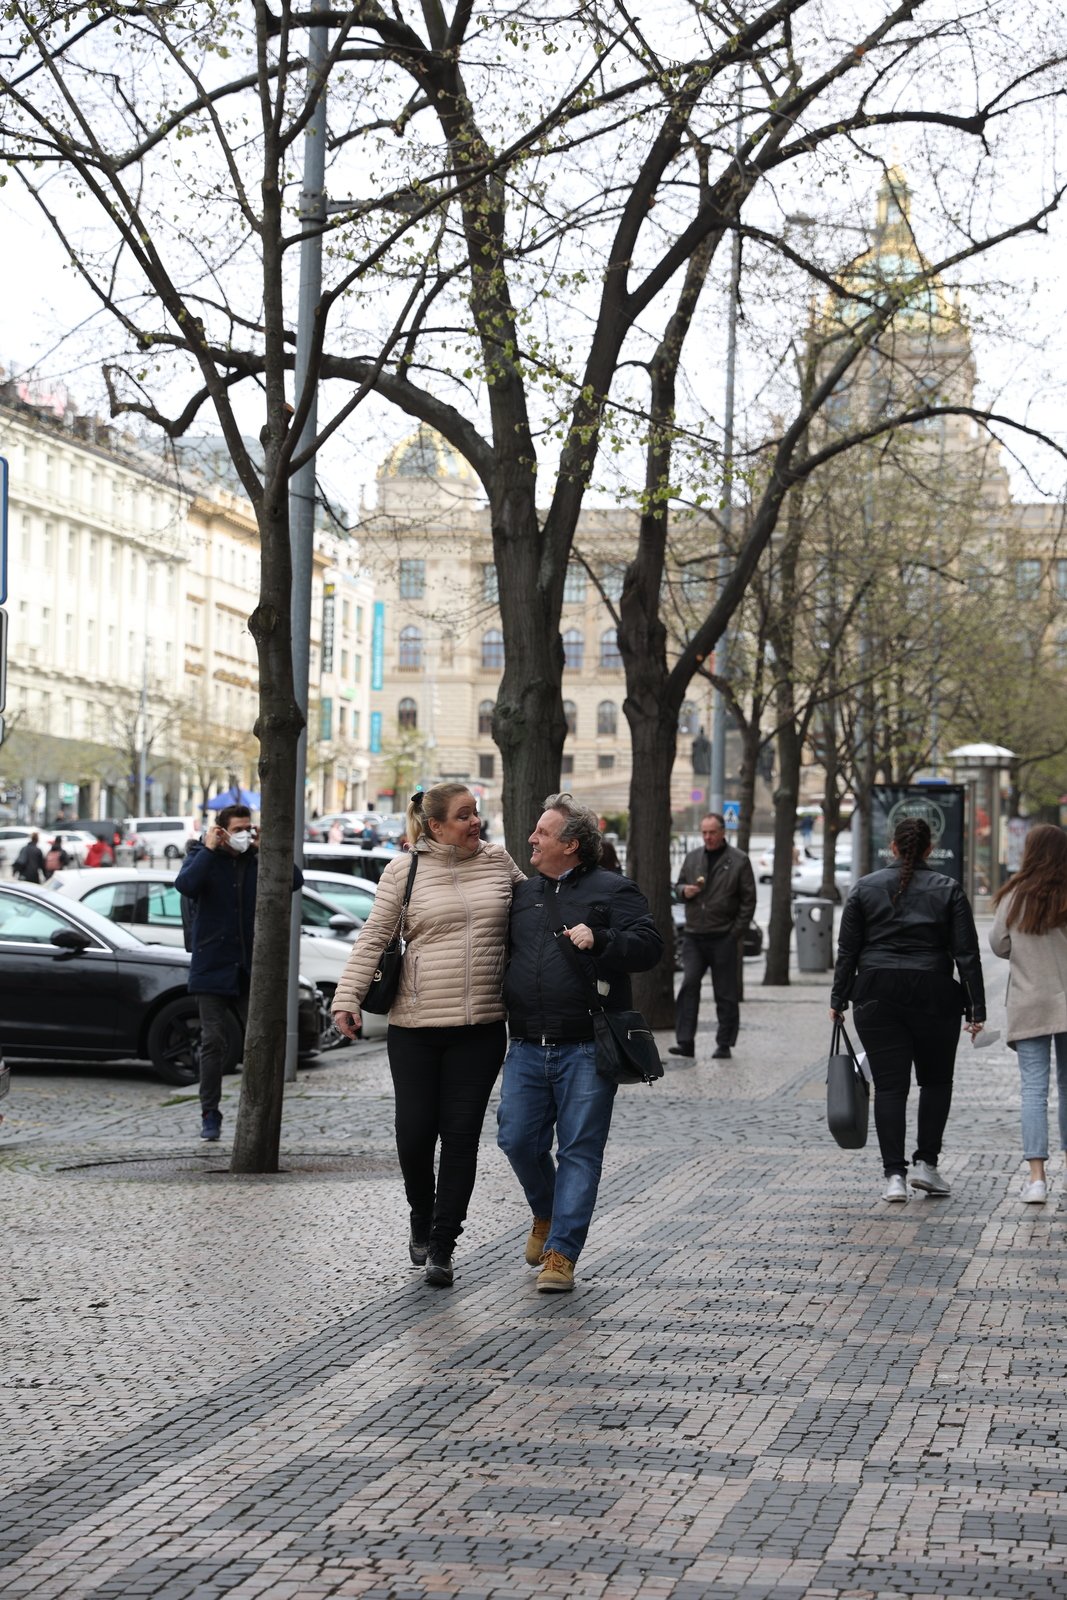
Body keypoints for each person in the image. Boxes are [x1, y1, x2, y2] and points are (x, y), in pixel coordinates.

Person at [331, 784, 524, 1288]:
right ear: (436, 826)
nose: (475, 822)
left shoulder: (500, 863)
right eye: (464, 816)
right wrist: (346, 999)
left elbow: (535, 914)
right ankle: (421, 1211)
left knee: (460, 1139)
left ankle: (442, 1245)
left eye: (476, 812)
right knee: (415, 1134)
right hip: (415, 1027)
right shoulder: (404, 870)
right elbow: (374, 936)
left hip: (481, 1027)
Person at [497, 792, 662, 1293]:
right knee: (516, 1140)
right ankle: (545, 1213)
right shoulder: (523, 894)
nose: (531, 838)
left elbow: (651, 947)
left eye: (542, 833)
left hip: (587, 1046)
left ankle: (562, 1254)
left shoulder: (614, 890)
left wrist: (605, 939)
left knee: (580, 1152)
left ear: (570, 846)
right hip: (525, 1044)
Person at [830, 815, 985, 1203]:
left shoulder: (864, 889)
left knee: (890, 1087)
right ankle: (926, 1165)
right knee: (935, 1082)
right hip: (934, 992)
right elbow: (967, 954)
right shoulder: (948, 889)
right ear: (929, 849)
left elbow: (848, 950)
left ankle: (894, 1176)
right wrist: (975, 1007)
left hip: (876, 993)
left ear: (893, 847)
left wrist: (838, 999)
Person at [176, 805, 299, 1143]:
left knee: (257, 1040)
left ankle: (257, 1109)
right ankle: (209, 1112)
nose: (245, 832)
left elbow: (295, 880)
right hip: (212, 964)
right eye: (239, 828)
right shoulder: (202, 857)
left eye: (249, 827)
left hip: (250, 967)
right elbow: (186, 885)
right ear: (222, 830)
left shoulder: (255, 859)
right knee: (213, 1042)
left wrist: (264, 849)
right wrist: (210, 849)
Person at [990, 823, 1067, 1204]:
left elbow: (999, 944)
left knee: (1034, 1091)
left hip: (1030, 1001)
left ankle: (1037, 1179)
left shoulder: (1015, 895)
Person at [671, 812, 756, 1061]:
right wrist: (683, 891)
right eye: (704, 832)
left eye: (712, 832)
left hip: (723, 936)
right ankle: (685, 1041)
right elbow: (677, 889)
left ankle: (724, 1043)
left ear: (722, 832)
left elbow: (748, 900)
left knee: (725, 992)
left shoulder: (738, 861)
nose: (708, 837)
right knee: (689, 985)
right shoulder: (693, 857)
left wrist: (735, 933)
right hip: (694, 935)